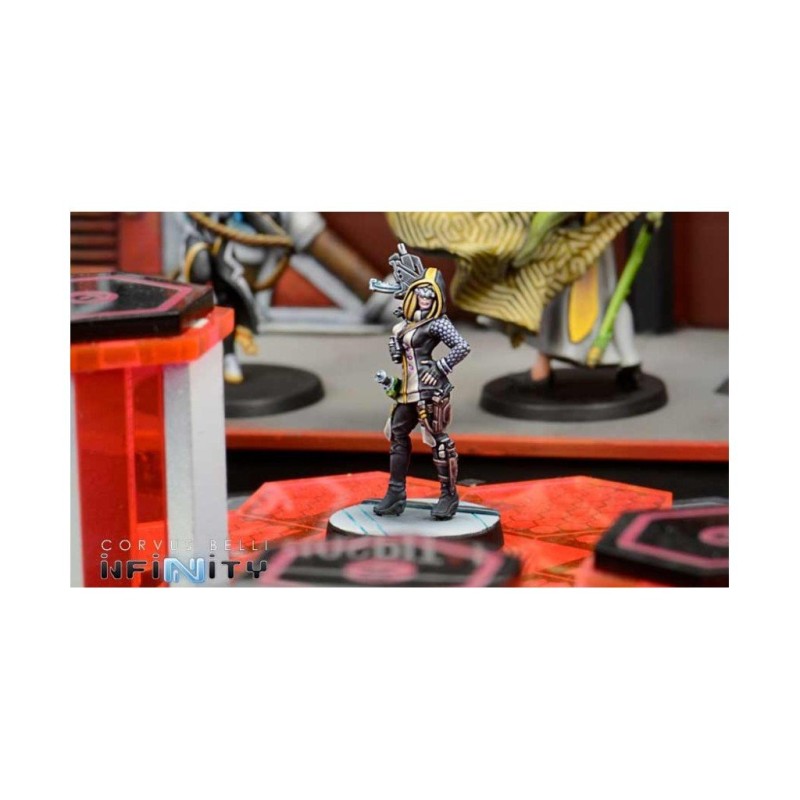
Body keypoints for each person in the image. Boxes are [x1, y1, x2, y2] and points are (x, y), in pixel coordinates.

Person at [371, 245, 470, 520]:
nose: (425, 299)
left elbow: (462, 346)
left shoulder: (438, 323)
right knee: (397, 435)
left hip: (430, 389)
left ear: (436, 297)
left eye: (430, 295)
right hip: (407, 389)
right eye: (421, 294)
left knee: (439, 440)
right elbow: (400, 357)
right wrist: (396, 346)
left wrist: (439, 367)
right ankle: (395, 493)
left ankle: (449, 496)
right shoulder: (406, 324)